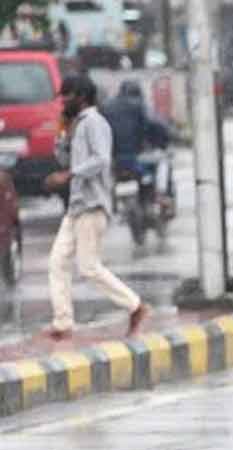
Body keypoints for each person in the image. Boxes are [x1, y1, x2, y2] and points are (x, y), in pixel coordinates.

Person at [43, 76, 149, 341]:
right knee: (57, 262)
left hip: (92, 205)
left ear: (81, 96)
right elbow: (65, 158)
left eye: (67, 96)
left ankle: (135, 306)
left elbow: (101, 160)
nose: (63, 101)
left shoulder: (95, 123)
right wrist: (61, 135)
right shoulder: (77, 125)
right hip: (77, 206)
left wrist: (69, 175)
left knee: (89, 267)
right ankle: (63, 323)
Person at [101, 80, 173, 214]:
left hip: (114, 158)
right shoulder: (140, 106)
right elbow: (156, 126)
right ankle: (161, 195)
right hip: (137, 156)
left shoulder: (106, 108)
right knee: (163, 161)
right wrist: (164, 140)